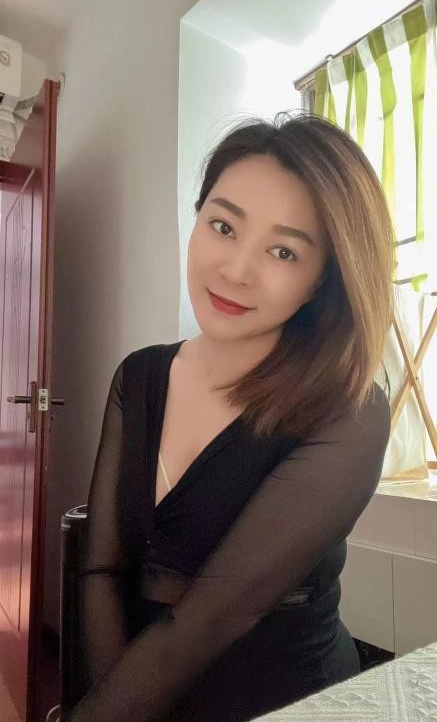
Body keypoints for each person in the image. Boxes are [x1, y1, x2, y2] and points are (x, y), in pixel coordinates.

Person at [64, 112, 393, 722]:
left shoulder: (347, 411)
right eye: (223, 225)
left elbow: (205, 623)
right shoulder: (139, 376)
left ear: (321, 281)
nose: (236, 270)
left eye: (283, 251)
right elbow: (103, 568)